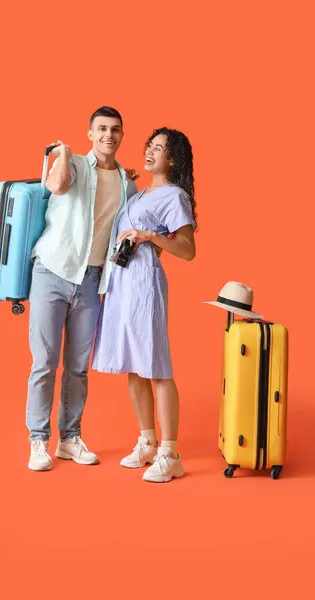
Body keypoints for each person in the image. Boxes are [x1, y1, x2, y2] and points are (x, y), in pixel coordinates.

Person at [26, 106, 138, 471]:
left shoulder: (127, 183)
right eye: (102, 129)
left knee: (77, 367)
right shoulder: (73, 165)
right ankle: (38, 441)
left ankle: (69, 439)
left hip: (91, 280)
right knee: (45, 363)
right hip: (52, 271)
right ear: (91, 134)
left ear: (122, 136)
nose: (109, 135)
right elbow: (56, 186)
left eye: (116, 130)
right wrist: (66, 154)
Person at [92, 127, 197, 483]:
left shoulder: (174, 196)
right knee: (133, 366)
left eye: (159, 149)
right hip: (120, 284)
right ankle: (147, 442)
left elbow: (188, 250)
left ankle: (170, 453)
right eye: (149, 146)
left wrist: (151, 236)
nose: (150, 152)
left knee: (156, 366)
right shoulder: (138, 194)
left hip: (145, 285)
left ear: (173, 158)